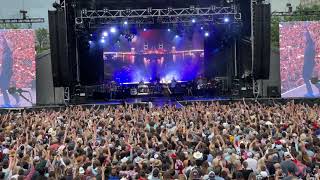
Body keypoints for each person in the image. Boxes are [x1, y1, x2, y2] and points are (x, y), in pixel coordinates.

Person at [302, 29, 320, 97]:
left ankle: (310, 93)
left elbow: (310, 56)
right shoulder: (309, 43)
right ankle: (310, 92)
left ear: (307, 37)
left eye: (304, 36)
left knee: (310, 79)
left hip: (309, 65)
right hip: (308, 64)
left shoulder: (310, 44)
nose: (303, 38)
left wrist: (306, 28)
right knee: (308, 78)